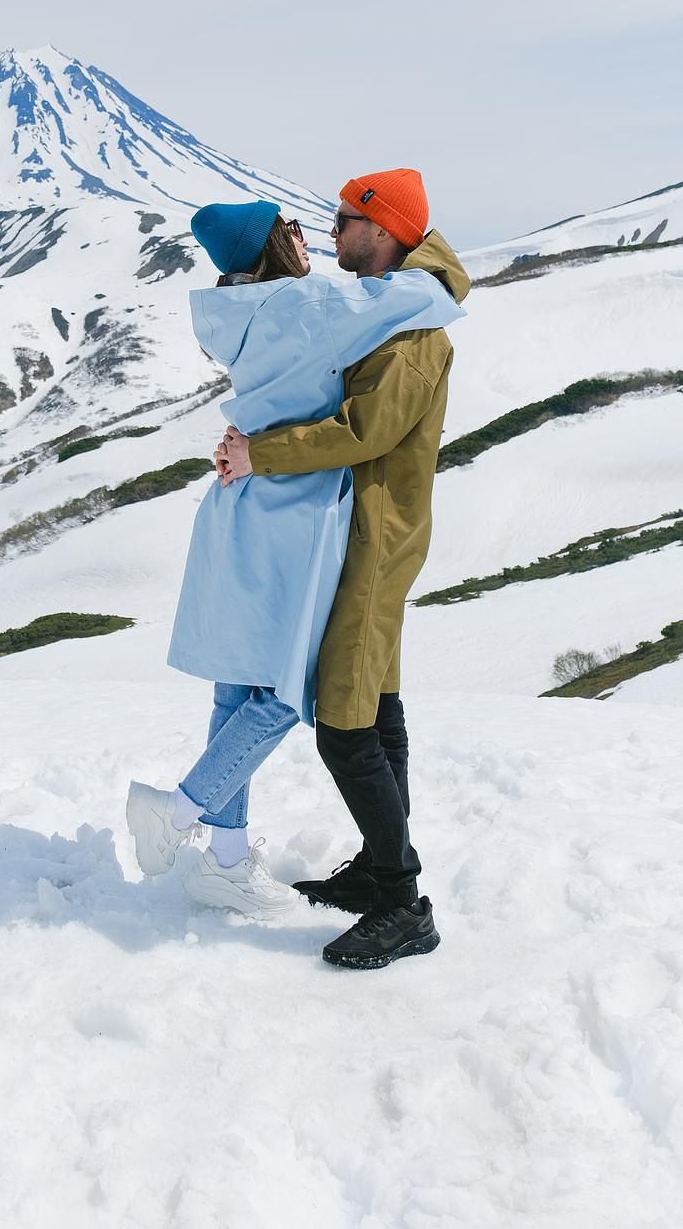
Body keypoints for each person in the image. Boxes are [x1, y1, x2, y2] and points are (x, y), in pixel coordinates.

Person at [126, 195, 464, 921]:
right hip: (293, 512)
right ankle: (180, 811)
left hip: (239, 505)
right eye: (292, 229)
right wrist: (436, 260)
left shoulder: (229, 310)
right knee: (285, 690)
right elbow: (419, 298)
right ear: (275, 245)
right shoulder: (309, 304)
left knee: (235, 689)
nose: (310, 236)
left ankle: (224, 861)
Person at [217, 168, 470, 968]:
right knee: (379, 702)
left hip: (375, 540)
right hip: (364, 533)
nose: (330, 237)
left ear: (384, 227)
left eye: (342, 222)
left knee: (344, 722)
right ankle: (379, 868)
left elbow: (365, 431)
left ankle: (402, 903)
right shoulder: (392, 309)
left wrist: (263, 454)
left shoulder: (413, 333)